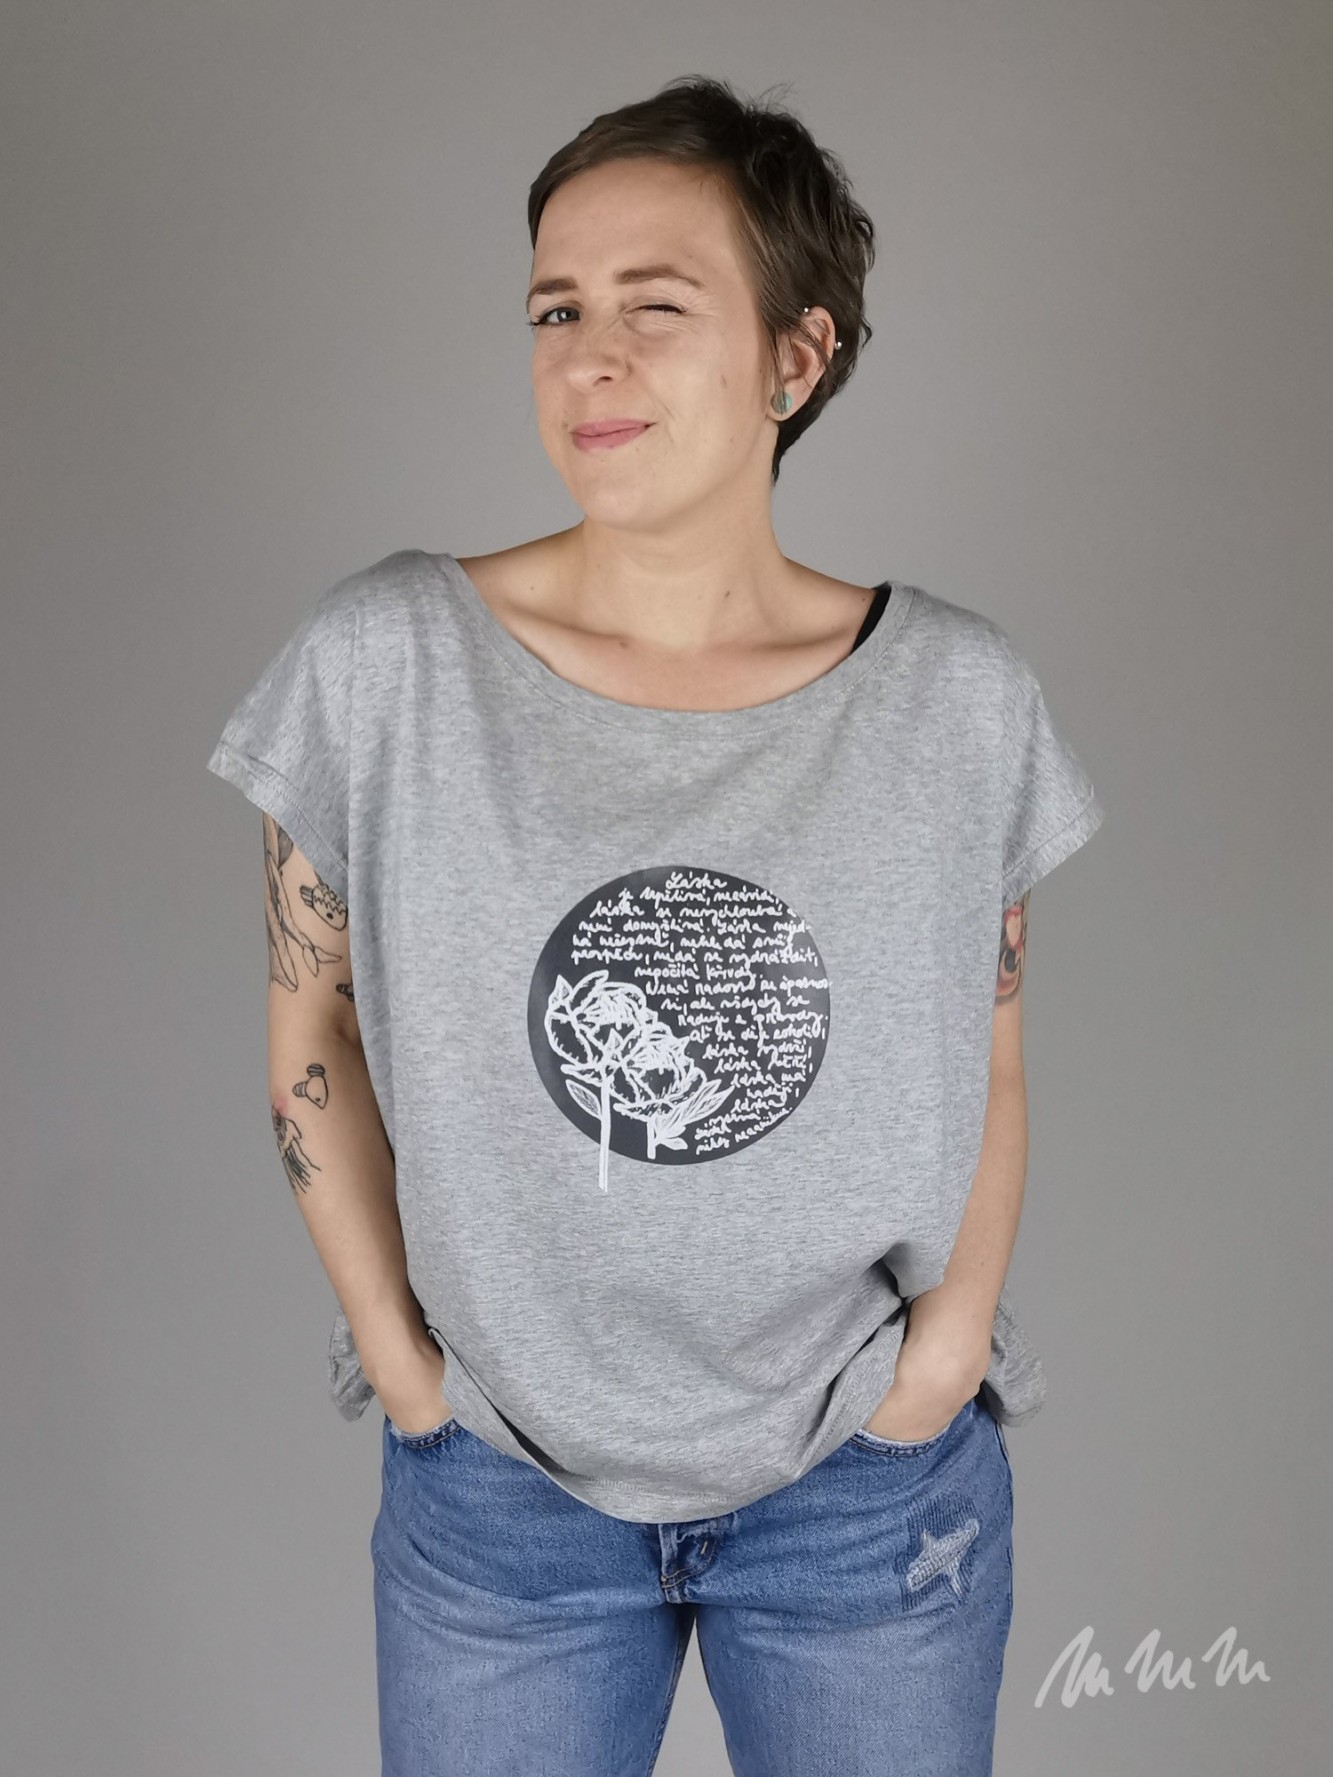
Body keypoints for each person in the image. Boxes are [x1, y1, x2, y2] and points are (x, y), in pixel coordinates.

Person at [207, 74, 1104, 1777]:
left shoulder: (955, 700)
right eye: (555, 309)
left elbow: (982, 1048)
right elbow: (308, 1025)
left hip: (863, 1487)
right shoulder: (383, 664)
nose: (587, 359)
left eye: (655, 307)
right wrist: (405, 1367)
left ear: (795, 357)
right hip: (500, 1489)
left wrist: (945, 1350)